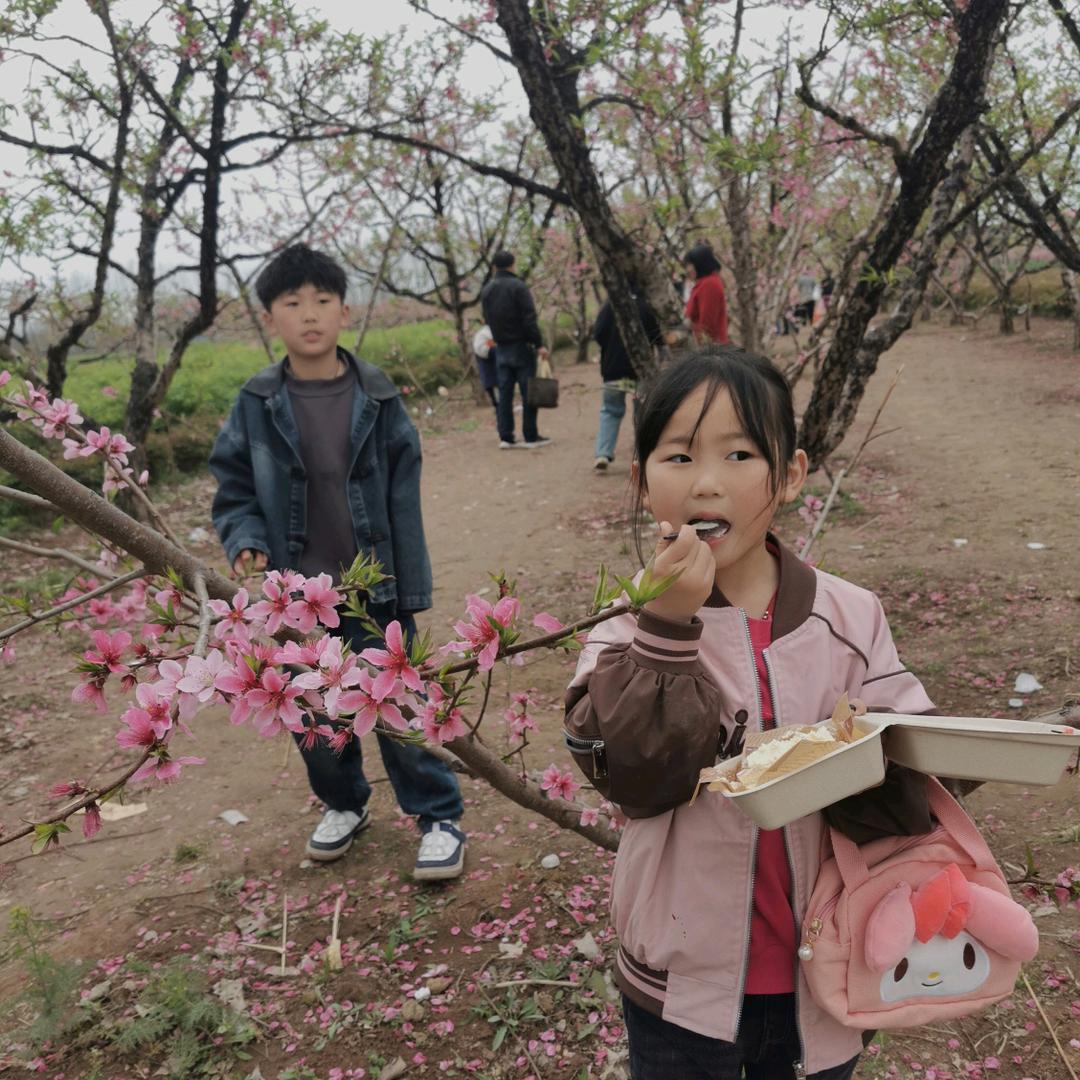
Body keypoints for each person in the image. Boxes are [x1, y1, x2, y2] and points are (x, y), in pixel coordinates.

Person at [565, 346, 940, 1079]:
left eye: (739, 454)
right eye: (679, 456)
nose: (707, 482)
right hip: (679, 985)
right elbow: (636, 780)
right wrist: (667, 628)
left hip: (824, 970)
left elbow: (913, 774)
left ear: (790, 475)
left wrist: (870, 765)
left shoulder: (849, 617)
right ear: (641, 481)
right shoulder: (625, 625)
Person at [208, 243, 466, 881]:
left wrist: (409, 586)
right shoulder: (256, 402)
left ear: (344, 312)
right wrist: (246, 539)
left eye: (323, 300)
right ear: (269, 319)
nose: (310, 314)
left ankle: (438, 816)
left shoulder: (377, 395)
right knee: (315, 713)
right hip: (296, 598)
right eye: (292, 303)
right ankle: (344, 803)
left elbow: (403, 499)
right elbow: (234, 485)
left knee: (398, 706)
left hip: (374, 590)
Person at [480, 250, 552, 449]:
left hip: (501, 348)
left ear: (494, 267)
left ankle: (506, 436)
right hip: (521, 346)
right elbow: (529, 319)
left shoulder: (487, 290)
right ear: (512, 265)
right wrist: (539, 344)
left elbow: (487, 318)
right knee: (528, 391)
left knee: (505, 394)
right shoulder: (518, 287)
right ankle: (530, 435)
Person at [591, 295, 661, 471]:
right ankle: (642, 455)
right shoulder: (645, 306)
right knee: (642, 414)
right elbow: (657, 336)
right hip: (640, 370)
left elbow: (598, 334)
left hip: (613, 370)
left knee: (610, 411)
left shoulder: (610, 305)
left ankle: (602, 453)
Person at [683, 244, 729, 344]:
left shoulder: (709, 284)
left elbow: (708, 324)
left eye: (690, 265)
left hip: (711, 347)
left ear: (700, 264)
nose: (687, 270)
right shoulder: (703, 283)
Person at [471, 322, 498, 414]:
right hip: (491, 372)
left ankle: (499, 409)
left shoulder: (486, 333)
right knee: (496, 396)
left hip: (494, 372)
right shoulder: (484, 334)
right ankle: (499, 409)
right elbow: (482, 351)